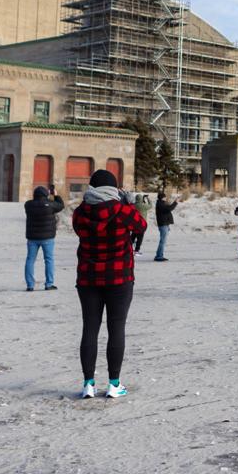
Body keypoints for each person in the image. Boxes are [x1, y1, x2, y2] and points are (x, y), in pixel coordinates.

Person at [72, 169, 147, 399]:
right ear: (114, 189)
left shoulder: (79, 213)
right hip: (119, 278)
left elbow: (78, 231)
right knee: (116, 329)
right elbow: (141, 226)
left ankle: (88, 384)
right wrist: (128, 204)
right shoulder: (122, 211)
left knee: (90, 328)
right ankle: (114, 384)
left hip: (88, 277)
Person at [23, 183, 64, 291]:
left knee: (30, 260)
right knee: (49, 260)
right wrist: (56, 195)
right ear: (46, 194)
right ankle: (49, 284)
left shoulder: (28, 205)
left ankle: (30, 285)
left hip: (32, 238)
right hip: (47, 238)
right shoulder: (50, 205)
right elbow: (61, 205)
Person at [154, 190, 177, 262]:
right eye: (164, 197)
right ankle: (159, 256)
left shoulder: (162, 203)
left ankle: (159, 255)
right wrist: (175, 202)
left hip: (165, 224)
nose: (165, 198)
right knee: (162, 241)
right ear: (162, 198)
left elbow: (168, 208)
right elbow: (169, 209)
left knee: (163, 241)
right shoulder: (160, 204)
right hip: (163, 225)